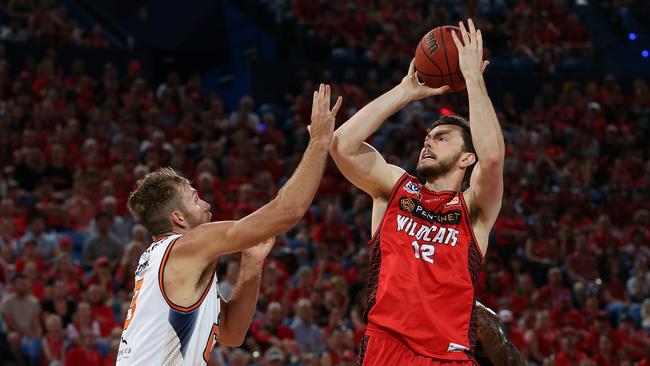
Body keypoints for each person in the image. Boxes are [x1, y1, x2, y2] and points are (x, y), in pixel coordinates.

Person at [116, 84, 342, 365]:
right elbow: (288, 210)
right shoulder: (186, 245)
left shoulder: (170, 260)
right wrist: (320, 141)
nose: (207, 205)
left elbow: (232, 334)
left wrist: (252, 262)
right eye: (196, 199)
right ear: (179, 218)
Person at [329, 20, 503, 365]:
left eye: (442, 139)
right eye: (427, 138)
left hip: (447, 355)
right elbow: (342, 145)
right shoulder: (394, 189)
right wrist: (406, 90)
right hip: (386, 346)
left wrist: (472, 79)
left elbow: (494, 156)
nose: (428, 143)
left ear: (468, 157)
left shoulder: (473, 209)